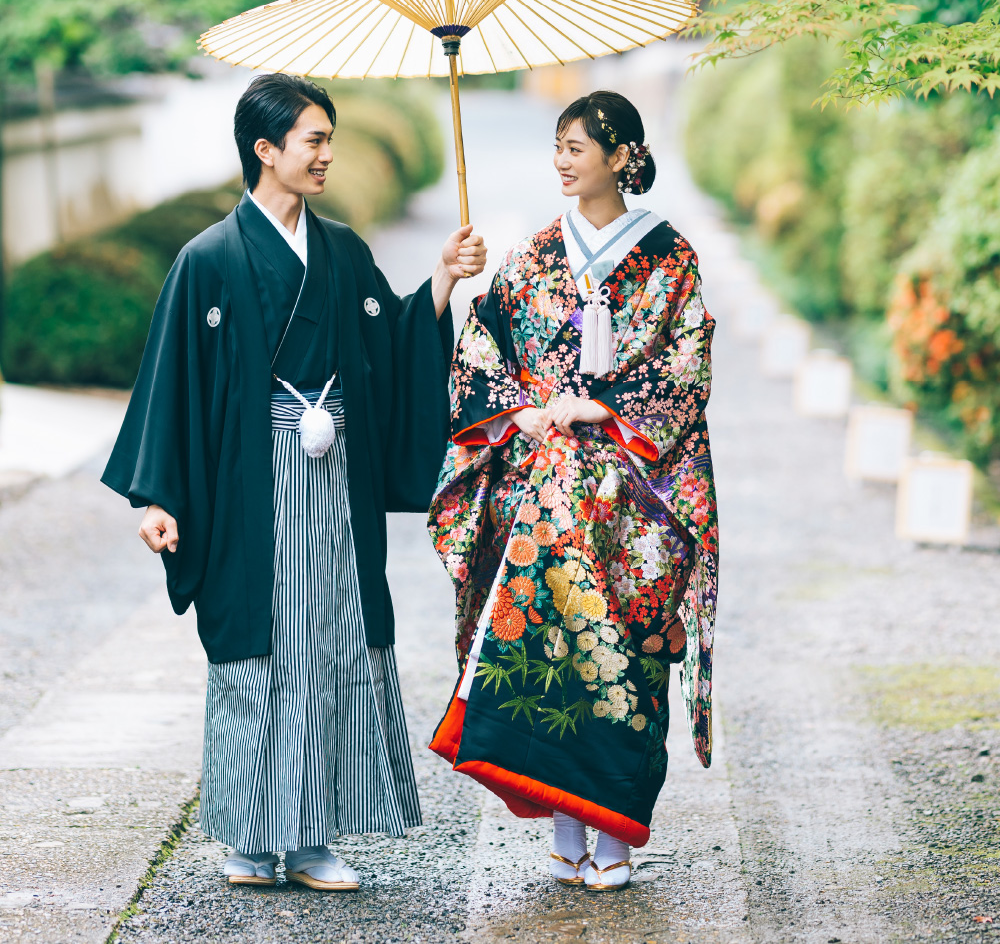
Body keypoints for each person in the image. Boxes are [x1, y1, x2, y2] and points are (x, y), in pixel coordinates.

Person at [103, 73, 486, 892]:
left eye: (328, 139)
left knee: (332, 637)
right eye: (314, 140)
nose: (326, 155)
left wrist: (444, 280)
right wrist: (161, 495)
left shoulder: (342, 251)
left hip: (335, 472)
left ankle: (311, 839)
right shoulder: (207, 260)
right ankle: (250, 837)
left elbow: (393, 343)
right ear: (265, 149)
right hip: (250, 478)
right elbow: (173, 383)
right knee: (258, 647)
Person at [428, 90, 717, 891]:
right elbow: (484, 347)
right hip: (543, 488)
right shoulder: (532, 254)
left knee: (625, 654)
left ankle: (613, 839)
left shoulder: (669, 258)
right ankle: (564, 831)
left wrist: (603, 407)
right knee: (545, 651)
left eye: (577, 147)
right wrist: (517, 411)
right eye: (557, 146)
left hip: (633, 497)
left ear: (622, 156)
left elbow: (687, 365)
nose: (561, 160)